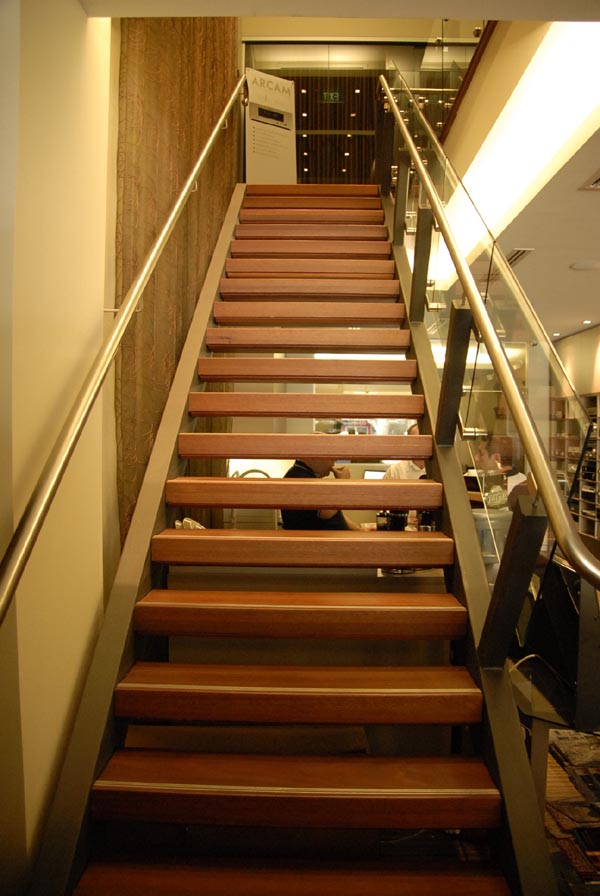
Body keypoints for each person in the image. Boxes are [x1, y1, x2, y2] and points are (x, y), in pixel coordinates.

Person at [280, 455, 362, 530]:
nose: (335, 459)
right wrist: (342, 484)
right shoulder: (298, 478)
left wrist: (359, 530)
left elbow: (335, 513)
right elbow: (326, 512)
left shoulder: (308, 475)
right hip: (316, 541)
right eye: (330, 454)